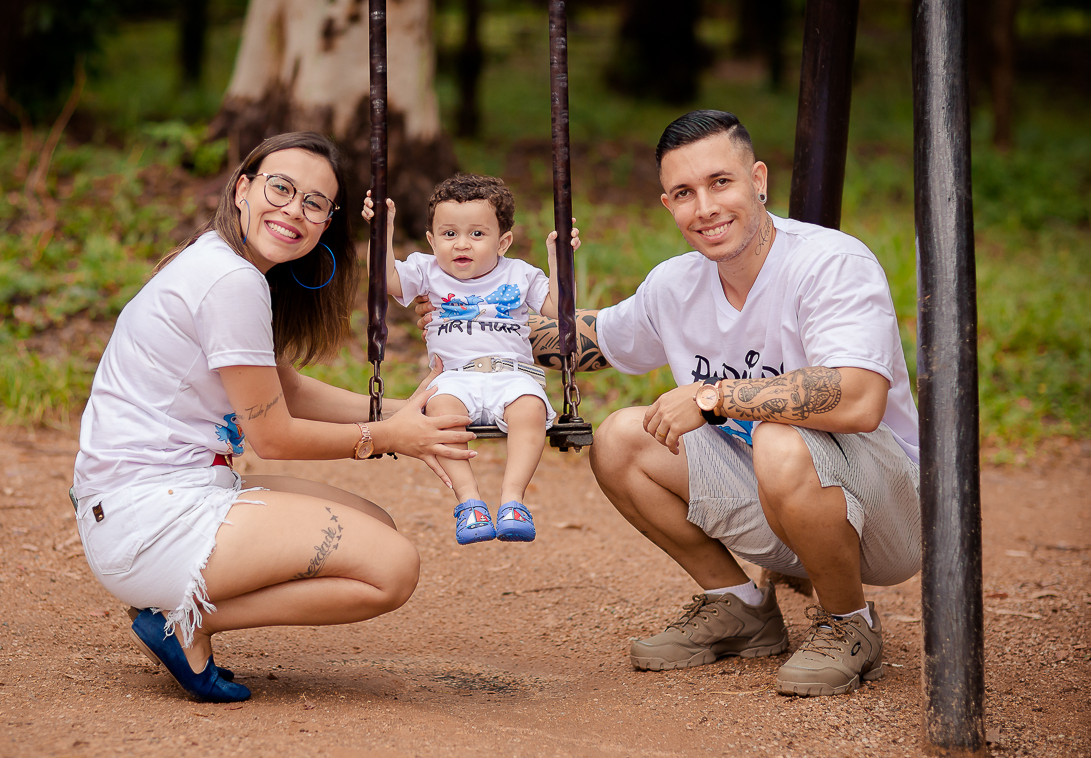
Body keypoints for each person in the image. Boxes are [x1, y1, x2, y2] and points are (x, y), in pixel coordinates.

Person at [418, 110, 921, 697]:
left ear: (758, 180)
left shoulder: (830, 262)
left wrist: (716, 397)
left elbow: (858, 397)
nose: (704, 207)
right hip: (777, 495)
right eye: (684, 193)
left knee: (781, 439)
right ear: (668, 205)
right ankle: (740, 608)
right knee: (620, 438)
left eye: (720, 183)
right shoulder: (676, 284)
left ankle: (847, 622)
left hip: (885, 507)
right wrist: (469, 317)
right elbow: (589, 340)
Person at [72, 132, 476, 704]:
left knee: (375, 527)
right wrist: (388, 437)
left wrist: (408, 414)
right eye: (280, 188)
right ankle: (189, 623)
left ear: (326, 223)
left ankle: (186, 614)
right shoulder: (230, 280)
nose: (294, 210)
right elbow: (273, 435)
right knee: (391, 568)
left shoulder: (224, 262)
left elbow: (283, 387)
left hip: (155, 499)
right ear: (243, 189)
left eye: (314, 203)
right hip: (148, 520)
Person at [363, 174, 579, 545]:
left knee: (528, 407)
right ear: (432, 241)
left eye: (477, 234)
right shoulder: (426, 270)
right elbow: (386, 280)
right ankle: (470, 503)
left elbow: (561, 308)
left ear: (503, 242)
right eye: (449, 234)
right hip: (454, 377)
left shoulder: (521, 273)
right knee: (440, 410)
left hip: (512, 375)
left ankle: (513, 500)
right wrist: (381, 231)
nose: (461, 244)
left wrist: (559, 259)